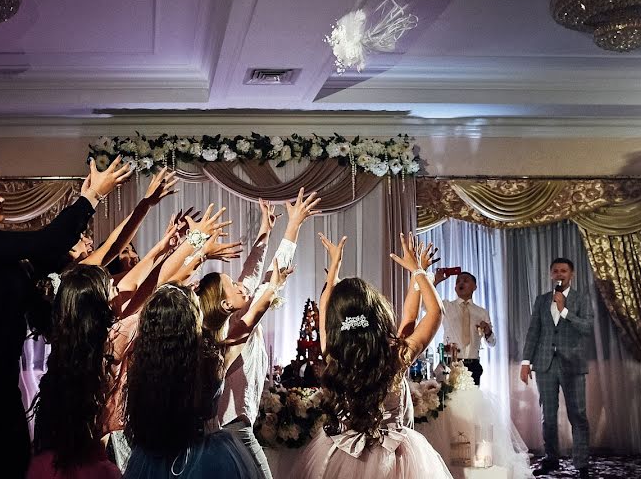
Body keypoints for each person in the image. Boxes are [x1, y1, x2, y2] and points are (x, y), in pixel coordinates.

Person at [0, 156, 131, 478]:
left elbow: (47, 256)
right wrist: (92, 198)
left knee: (8, 466)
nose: (1, 199)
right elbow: (44, 242)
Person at [289, 232, 452, 479]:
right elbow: (431, 313)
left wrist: (333, 271)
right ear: (378, 312)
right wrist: (418, 273)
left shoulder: (333, 353)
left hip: (342, 456)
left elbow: (324, 309)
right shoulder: (396, 356)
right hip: (395, 458)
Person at [200, 189, 319, 478]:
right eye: (234, 286)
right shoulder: (233, 329)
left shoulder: (230, 318)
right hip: (233, 428)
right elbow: (265, 285)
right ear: (225, 304)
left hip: (238, 425)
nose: (242, 285)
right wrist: (292, 228)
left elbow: (253, 272)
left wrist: (266, 232)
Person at [123, 283, 264, 479]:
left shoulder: (141, 366)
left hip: (154, 457)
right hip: (209, 460)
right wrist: (272, 287)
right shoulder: (210, 362)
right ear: (191, 321)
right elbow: (243, 331)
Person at [27, 265, 122, 479]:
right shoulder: (107, 346)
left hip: (55, 462)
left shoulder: (69, 345)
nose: (118, 289)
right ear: (99, 303)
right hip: (84, 466)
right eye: (112, 287)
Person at [520, 258, 594, 479]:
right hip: (544, 364)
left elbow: (588, 328)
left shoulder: (582, 299)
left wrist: (564, 311)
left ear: (572, 274)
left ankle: (581, 464)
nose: (559, 274)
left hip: (573, 364)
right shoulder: (542, 300)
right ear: (551, 275)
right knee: (548, 417)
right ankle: (551, 459)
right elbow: (533, 331)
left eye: (564, 270)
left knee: (578, 415)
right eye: (555, 271)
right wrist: (525, 362)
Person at [433, 269, 495, 385]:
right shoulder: (446, 306)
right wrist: (435, 282)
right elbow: (424, 305)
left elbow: (491, 343)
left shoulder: (482, 312)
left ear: (474, 287)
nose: (461, 283)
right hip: (451, 364)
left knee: (472, 402)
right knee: (449, 402)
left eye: (465, 281)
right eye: (457, 282)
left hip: (473, 365)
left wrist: (488, 332)